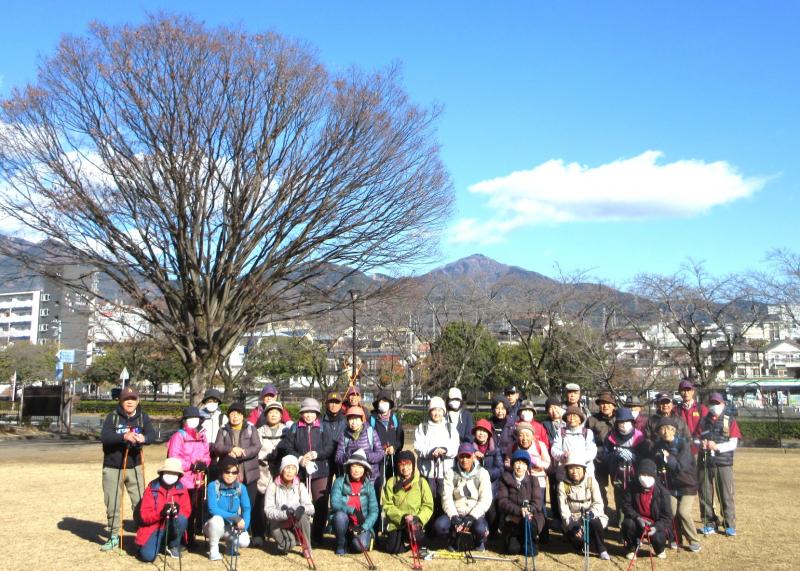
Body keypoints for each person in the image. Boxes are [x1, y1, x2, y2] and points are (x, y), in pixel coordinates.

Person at [99, 386, 156, 551]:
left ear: (137, 400)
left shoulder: (143, 418)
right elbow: (105, 437)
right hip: (113, 466)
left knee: (140, 502)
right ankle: (113, 535)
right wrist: (123, 436)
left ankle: (142, 533)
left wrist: (143, 438)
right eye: (126, 399)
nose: (130, 402)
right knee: (113, 503)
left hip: (135, 466)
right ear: (120, 401)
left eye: (133, 399)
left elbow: (152, 435)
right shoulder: (113, 417)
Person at [278, 397, 335, 544]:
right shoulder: (295, 427)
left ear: (317, 413)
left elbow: (329, 448)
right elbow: (287, 446)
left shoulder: (324, 427)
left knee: (320, 504)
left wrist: (317, 454)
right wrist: (299, 458)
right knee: (296, 503)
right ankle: (297, 533)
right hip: (300, 472)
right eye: (305, 412)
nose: (309, 415)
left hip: (320, 471)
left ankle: (316, 536)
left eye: (312, 412)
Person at [211, 402, 262, 543]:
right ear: (228, 416)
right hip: (229, 473)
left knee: (249, 504)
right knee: (229, 503)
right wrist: (230, 449)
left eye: (238, 414)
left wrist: (243, 453)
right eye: (232, 414)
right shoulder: (223, 430)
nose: (235, 417)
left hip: (249, 473)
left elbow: (257, 446)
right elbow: (217, 447)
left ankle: (246, 531)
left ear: (242, 415)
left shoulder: (251, 429)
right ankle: (228, 531)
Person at [652, 416, 702, 553]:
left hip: (687, 484)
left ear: (674, 431)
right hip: (670, 485)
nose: (666, 432)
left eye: (669, 429)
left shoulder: (683, 445)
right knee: (671, 512)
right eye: (662, 429)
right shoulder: (658, 446)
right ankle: (675, 538)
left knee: (683, 512)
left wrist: (667, 457)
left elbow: (680, 466)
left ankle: (694, 540)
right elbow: (654, 461)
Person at [696, 392, 741, 537]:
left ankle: (729, 524)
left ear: (723, 404)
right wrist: (701, 444)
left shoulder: (729, 420)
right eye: (712, 403)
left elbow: (733, 443)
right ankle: (709, 522)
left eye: (717, 403)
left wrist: (717, 447)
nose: (714, 406)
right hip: (705, 461)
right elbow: (694, 438)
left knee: (726, 494)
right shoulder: (703, 421)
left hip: (723, 462)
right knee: (705, 493)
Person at [166, 406, 211, 548]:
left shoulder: (202, 435)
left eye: (196, 419)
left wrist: (204, 464)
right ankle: (180, 539)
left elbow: (206, 454)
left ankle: (191, 538)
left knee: (196, 510)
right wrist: (191, 465)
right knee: (184, 510)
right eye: (190, 419)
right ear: (184, 420)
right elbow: (174, 457)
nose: (193, 421)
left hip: (198, 479)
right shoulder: (178, 436)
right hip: (184, 480)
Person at [435, 443, 493, 552]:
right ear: (458, 457)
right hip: (457, 512)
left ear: (473, 457)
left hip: (475, 514)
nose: (464, 460)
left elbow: (485, 499)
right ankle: (453, 540)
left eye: (468, 456)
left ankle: (478, 541)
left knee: (480, 529)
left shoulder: (483, 473)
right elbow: (446, 497)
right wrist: (453, 517)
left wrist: (471, 517)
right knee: (440, 525)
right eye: (462, 456)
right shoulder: (450, 473)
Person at [413, 396, 459, 529]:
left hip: (446, 472)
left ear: (444, 411)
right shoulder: (422, 428)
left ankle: (442, 528)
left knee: (444, 499)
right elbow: (417, 446)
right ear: (429, 412)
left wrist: (445, 450)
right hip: (428, 472)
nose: (437, 413)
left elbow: (455, 447)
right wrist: (430, 451)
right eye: (434, 410)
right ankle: (428, 528)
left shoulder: (450, 428)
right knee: (428, 500)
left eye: (439, 410)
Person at [135, 457, 191, 562]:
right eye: (168, 472)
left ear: (179, 475)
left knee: (182, 519)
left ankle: (173, 545)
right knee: (148, 557)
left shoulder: (182, 489)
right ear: (162, 473)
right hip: (154, 527)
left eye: (174, 473)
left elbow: (186, 511)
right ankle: (154, 545)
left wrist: (177, 512)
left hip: (171, 525)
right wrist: (160, 513)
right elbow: (144, 516)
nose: (171, 475)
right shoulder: (151, 489)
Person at [557, 450, 610, 560]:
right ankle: (584, 544)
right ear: (566, 469)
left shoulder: (591, 481)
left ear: (583, 469)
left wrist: (591, 514)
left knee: (595, 522)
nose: (574, 471)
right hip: (574, 519)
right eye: (571, 468)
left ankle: (602, 549)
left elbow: (598, 503)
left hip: (591, 517)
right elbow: (564, 511)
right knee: (577, 542)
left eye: (578, 468)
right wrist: (574, 527)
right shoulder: (562, 485)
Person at [380, 450, 434, 554]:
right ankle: (403, 541)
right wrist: (403, 517)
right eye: (401, 465)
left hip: (414, 522)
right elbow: (387, 505)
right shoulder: (391, 482)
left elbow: (428, 506)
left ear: (413, 465)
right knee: (393, 549)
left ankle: (414, 540)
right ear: (397, 466)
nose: (405, 468)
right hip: (397, 523)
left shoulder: (421, 482)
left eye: (408, 464)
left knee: (416, 535)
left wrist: (417, 518)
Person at [620, 459, 673, 560]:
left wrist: (656, 527)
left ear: (654, 476)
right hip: (637, 520)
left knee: (658, 536)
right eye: (643, 474)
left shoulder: (663, 492)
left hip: (655, 523)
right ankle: (632, 548)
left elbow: (667, 517)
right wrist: (637, 518)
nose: (645, 478)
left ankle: (660, 549)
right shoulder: (631, 487)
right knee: (628, 524)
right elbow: (626, 506)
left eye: (649, 475)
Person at [599, 407, 647, 521]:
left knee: (635, 499)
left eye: (627, 422)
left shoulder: (639, 437)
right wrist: (615, 455)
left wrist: (635, 456)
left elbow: (645, 457)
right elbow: (605, 456)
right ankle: (621, 525)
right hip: (617, 475)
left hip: (635, 475)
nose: (624, 425)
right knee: (620, 500)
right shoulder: (611, 437)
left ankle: (635, 524)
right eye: (621, 422)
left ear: (632, 422)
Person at [330, 449, 380, 556]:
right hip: (345, 522)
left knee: (358, 546)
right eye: (354, 466)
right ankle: (341, 543)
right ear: (349, 467)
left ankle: (357, 539)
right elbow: (334, 503)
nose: (357, 470)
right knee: (339, 516)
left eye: (360, 466)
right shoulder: (339, 482)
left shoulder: (369, 487)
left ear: (365, 469)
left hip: (361, 524)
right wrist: (352, 510)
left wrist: (364, 527)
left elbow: (374, 511)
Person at [496, 450, 545, 555]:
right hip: (512, 518)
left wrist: (529, 510)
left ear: (527, 466)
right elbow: (503, 501)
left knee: (530, 552)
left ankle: (532, 542)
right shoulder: (505, 478)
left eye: (523, 464)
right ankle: (516, 538)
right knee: (512, 550)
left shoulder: (533, 480)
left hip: (531, 517)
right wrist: (518, 511)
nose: (519, 467)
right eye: (517, 463)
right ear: (513, 464)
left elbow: (537, 501)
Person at [263, 455, 314, 554]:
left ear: (296, 471)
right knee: (289, 545)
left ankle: (307, 548)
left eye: (293, 468)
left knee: (304, 518)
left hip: (295, 521)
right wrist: (284, 514)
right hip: (278, 524)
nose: (290, 471)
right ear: (282, 470)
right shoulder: (273, 486)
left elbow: (311, 508)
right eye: (287, 468)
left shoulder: (300, 486)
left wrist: (302, 508)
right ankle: (288, 541)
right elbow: (268, 510)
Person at [205, 456, 252, 561]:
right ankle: (213, 550)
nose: (230, 475)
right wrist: (235, 517)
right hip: (212, 526)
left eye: (234, 472)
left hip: (231, 527)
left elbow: (246, 509)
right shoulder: (213, 486)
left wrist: (244, 527)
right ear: (221, 471)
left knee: (244, 541)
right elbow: (212, 509)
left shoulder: (241, 488)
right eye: (227, 471)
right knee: (217, 520)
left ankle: (230, 546)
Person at [255, 401, 287, 544]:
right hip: (263, 471)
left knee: (281, 502)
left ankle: (281, 533)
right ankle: (259, 533)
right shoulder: (259, 431)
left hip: (282, 471)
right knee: (261, 502)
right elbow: (256, 448)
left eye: (277, 412)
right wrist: (265, 457)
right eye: (270, 412)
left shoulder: (287, 430)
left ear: (281, 415)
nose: (273, 415)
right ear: (266, 415)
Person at [472, 419, 504, 536]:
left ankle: (493, 532)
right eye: (479, 430)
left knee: (492, 513)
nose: (481, 433)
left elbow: (500, 468)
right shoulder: (470, 448)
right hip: (474, 487)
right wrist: (473, 457)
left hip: (492, 487)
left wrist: (485, 474)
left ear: (489, 433)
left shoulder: (495, 449)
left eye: (484, 431)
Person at [336, 405, 384, 483]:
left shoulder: (371, 432)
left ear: (362, 420)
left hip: (371, 479)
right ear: (347, 421)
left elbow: (380, 454)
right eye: (351, 419)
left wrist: (366, 456)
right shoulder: (344, 435)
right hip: (351, 480)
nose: (354, 422)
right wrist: (349, 455)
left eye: (356, 419)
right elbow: (338, 458)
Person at [550, 405, 597, 482]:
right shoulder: (560, 432)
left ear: (580, 419)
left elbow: (592, 451)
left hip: (585, 473)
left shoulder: (588, 433)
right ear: (566, 419)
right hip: (564, 473)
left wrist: (576, 459)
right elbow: (554, 449)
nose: (572, 418)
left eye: (575, 416)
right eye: (569, 416)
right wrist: (562, 456)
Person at [586, 390, 616, 509]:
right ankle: (602, 511)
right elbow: (587, 440)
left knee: (618, 487)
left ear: (613, 405)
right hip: (598, 459)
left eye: (608, 403)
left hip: (616, 459)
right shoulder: (592, 420)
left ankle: (621, 519)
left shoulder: (619, 419)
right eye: (602, 403)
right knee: (599, 487)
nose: (605, 406)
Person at [369, 390, 405, 485]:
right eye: (381, 401)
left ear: (389, 404)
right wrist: (379, 451)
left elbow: (400, 440)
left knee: (392, 485)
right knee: (378, 486)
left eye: (386, 402)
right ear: (377, 404)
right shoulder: (372, 420)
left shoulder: (394, 419)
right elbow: (368, 441)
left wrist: (395, 447)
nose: (384, 404)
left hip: (393, 460)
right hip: (377, 462)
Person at [674, 378, 708, 455]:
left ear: (693, 392)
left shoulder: (702, 409)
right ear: (679, 392)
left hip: (699, 448)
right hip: (682, 448)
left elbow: (706, 427)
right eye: (683, 390)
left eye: (688, 390)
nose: (686, 393)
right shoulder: (675, 410)